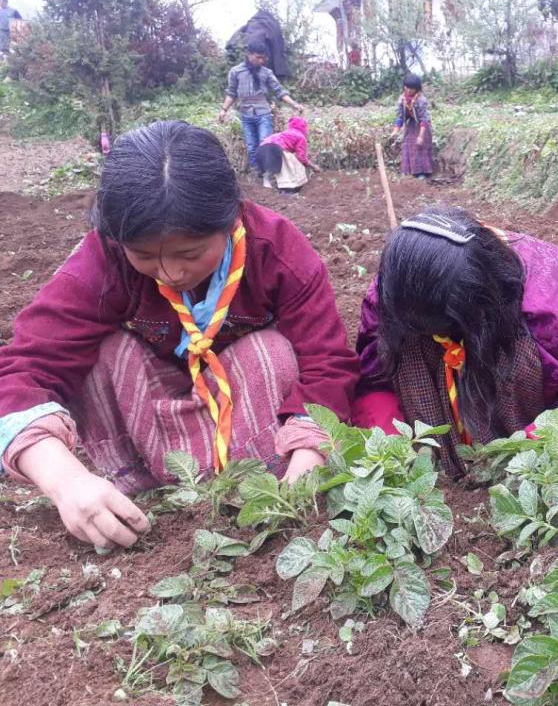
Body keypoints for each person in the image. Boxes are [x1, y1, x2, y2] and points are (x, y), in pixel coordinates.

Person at [0, 121, 360, 549]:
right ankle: (132, 487)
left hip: (245, 410)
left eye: (190, 253)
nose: (170, 273)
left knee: (272, 350)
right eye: (144, 256)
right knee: (101, 353)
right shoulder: (104, 260)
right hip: (152, 419)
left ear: (231, 217)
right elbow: (24, 368)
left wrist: (309, 453)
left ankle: (262, 481)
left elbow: (327, 362)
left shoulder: (276, 252)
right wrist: (64, 479)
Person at [352, 207, 558, 476]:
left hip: (505, 348)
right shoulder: (393, 291)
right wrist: (391, 444)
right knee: (402, 343)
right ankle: (440, 461)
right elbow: (374, 381)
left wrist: (524, 453)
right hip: (448, 342)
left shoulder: (546, 302)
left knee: (515, 354)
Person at [218, 40, 304, 173]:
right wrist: (224, 110)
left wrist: (294, 104)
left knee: (266, 143)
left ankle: (269, 172)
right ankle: (257, 172)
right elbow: (232, 93)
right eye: (258, 57)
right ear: (249, 54)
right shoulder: (236, 71)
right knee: (251, 146)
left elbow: (279, 91)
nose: (261, 61)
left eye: (263, 58)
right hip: (246, 115)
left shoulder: (266, 73)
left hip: (263, 114)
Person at [257, 115, 321, 193]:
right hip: (275, 149)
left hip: (260, 150)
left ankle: (268, 188)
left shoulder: (284, 134)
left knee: (269, 176)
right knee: (291, 165)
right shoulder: (300, 136)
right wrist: (313, 166)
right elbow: (301, 157)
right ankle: (287, 190)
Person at [389, 73, 433, 180]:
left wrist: (421, 136)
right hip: (411, 123)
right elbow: (400, 117)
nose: (408, 90)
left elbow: (424, 119)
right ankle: (408, 171)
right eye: (407, 87)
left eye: (411, 89)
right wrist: (395, 131)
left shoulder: (421, 100)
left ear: (417, 89)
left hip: (422, 126)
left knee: (419, 146)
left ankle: (421, 172)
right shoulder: (402, 99)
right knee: (407, 144)